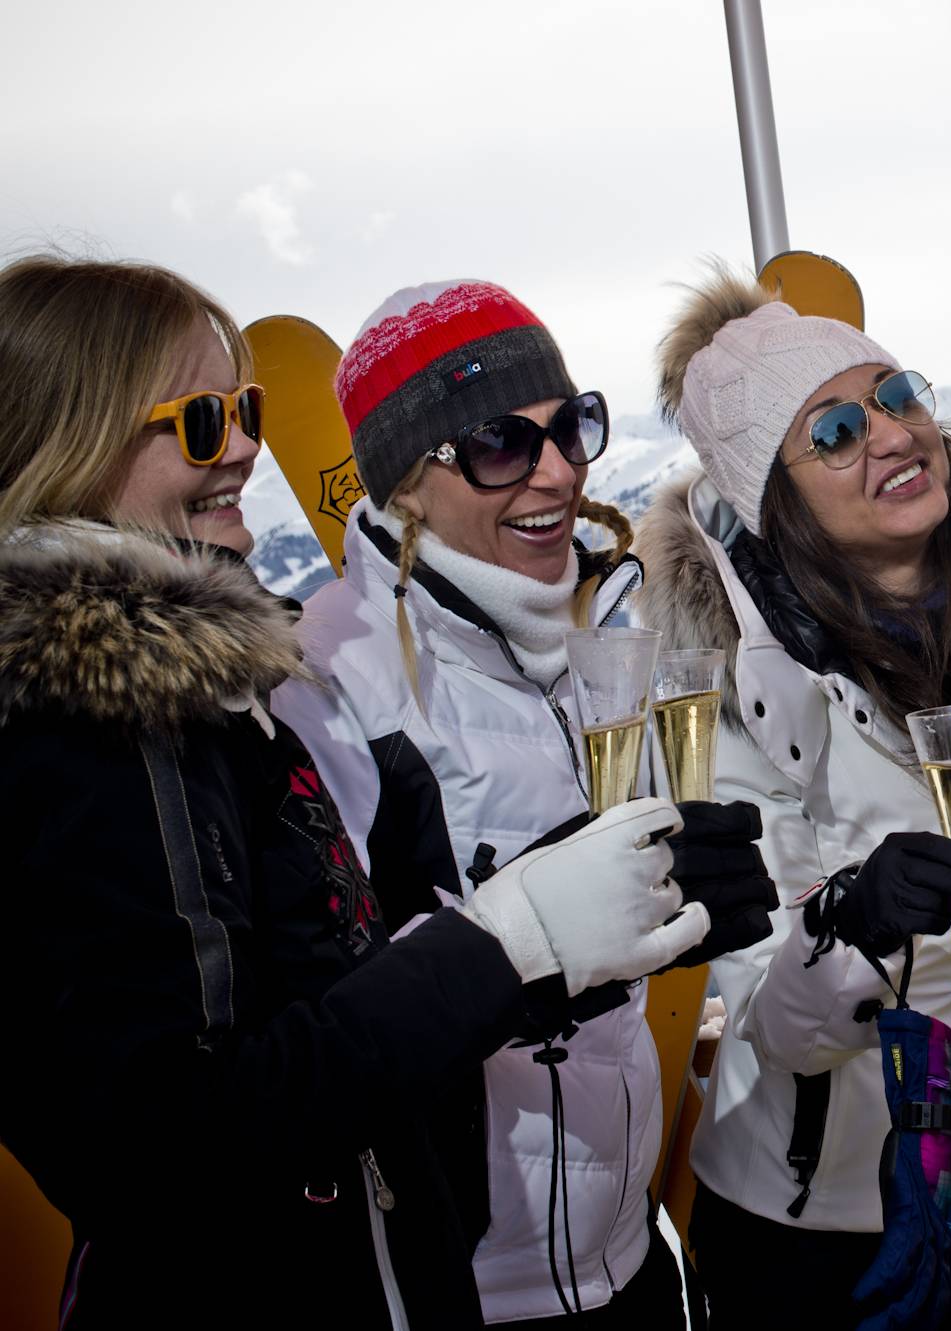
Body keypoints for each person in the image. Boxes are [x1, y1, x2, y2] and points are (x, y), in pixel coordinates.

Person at [0, 257, 701, 1329]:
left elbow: (319, 992)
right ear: (74, 445)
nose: (245, 446)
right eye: (202, 423)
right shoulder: (93, 727)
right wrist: (508, 939)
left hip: (470, 1263)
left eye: (247, 410)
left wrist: (613, 925)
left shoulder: (211, 699)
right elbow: (164, 1146)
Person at [630, 267, 951, 1329]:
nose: (888, 433)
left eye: (896, 393)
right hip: (828, 1229)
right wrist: (852, 924)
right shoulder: (728, 690)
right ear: (773, 500)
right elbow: (772, 1023)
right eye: (833, 430)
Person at [272, 279, 774, 1326]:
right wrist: (542, 954)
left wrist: (676, 905)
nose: (556, 470)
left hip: (626, 1258)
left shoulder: (604, 622)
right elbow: (321, 1020)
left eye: (570, 426)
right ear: (407, 483)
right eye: (500, 443)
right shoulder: (327, 679)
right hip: (466, 1292)